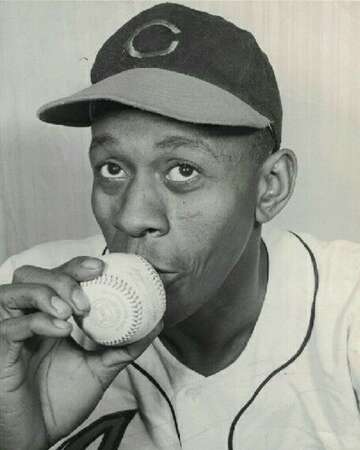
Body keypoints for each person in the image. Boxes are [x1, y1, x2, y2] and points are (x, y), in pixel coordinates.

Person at [0, 3, 359, 450]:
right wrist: (15, 439)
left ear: (270, 187)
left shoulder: (348, 315)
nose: (131, 217)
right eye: (112, 168)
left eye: (183, 171)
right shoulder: (29, 313)